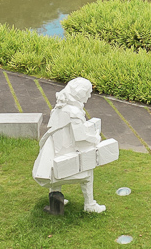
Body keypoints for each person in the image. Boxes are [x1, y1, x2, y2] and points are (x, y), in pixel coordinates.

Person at [32, 78, 108, 213]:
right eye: (88, 93)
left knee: (55, 170)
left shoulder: (59, 107)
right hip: (63, 155)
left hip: (52, 155)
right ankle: (89, 205)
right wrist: (95, 138)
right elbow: (81, 137)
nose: (89, 96)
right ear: (80, 93)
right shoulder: (74, 112)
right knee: (88, 171)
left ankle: (56, 200)